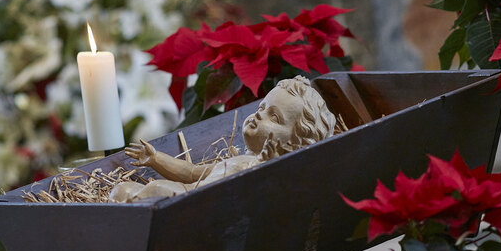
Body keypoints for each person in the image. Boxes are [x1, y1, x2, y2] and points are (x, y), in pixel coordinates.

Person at [109, 76, 336, 202]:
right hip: (185, 193)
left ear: (295, 145)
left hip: (191, 207)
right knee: (122, 190)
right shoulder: (239, 161)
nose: (259, 114)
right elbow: (191, 172)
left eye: (274, 117)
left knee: (155, 190)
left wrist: (272, 162)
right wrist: (156, 158)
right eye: (262, 107)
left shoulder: (264, 171)